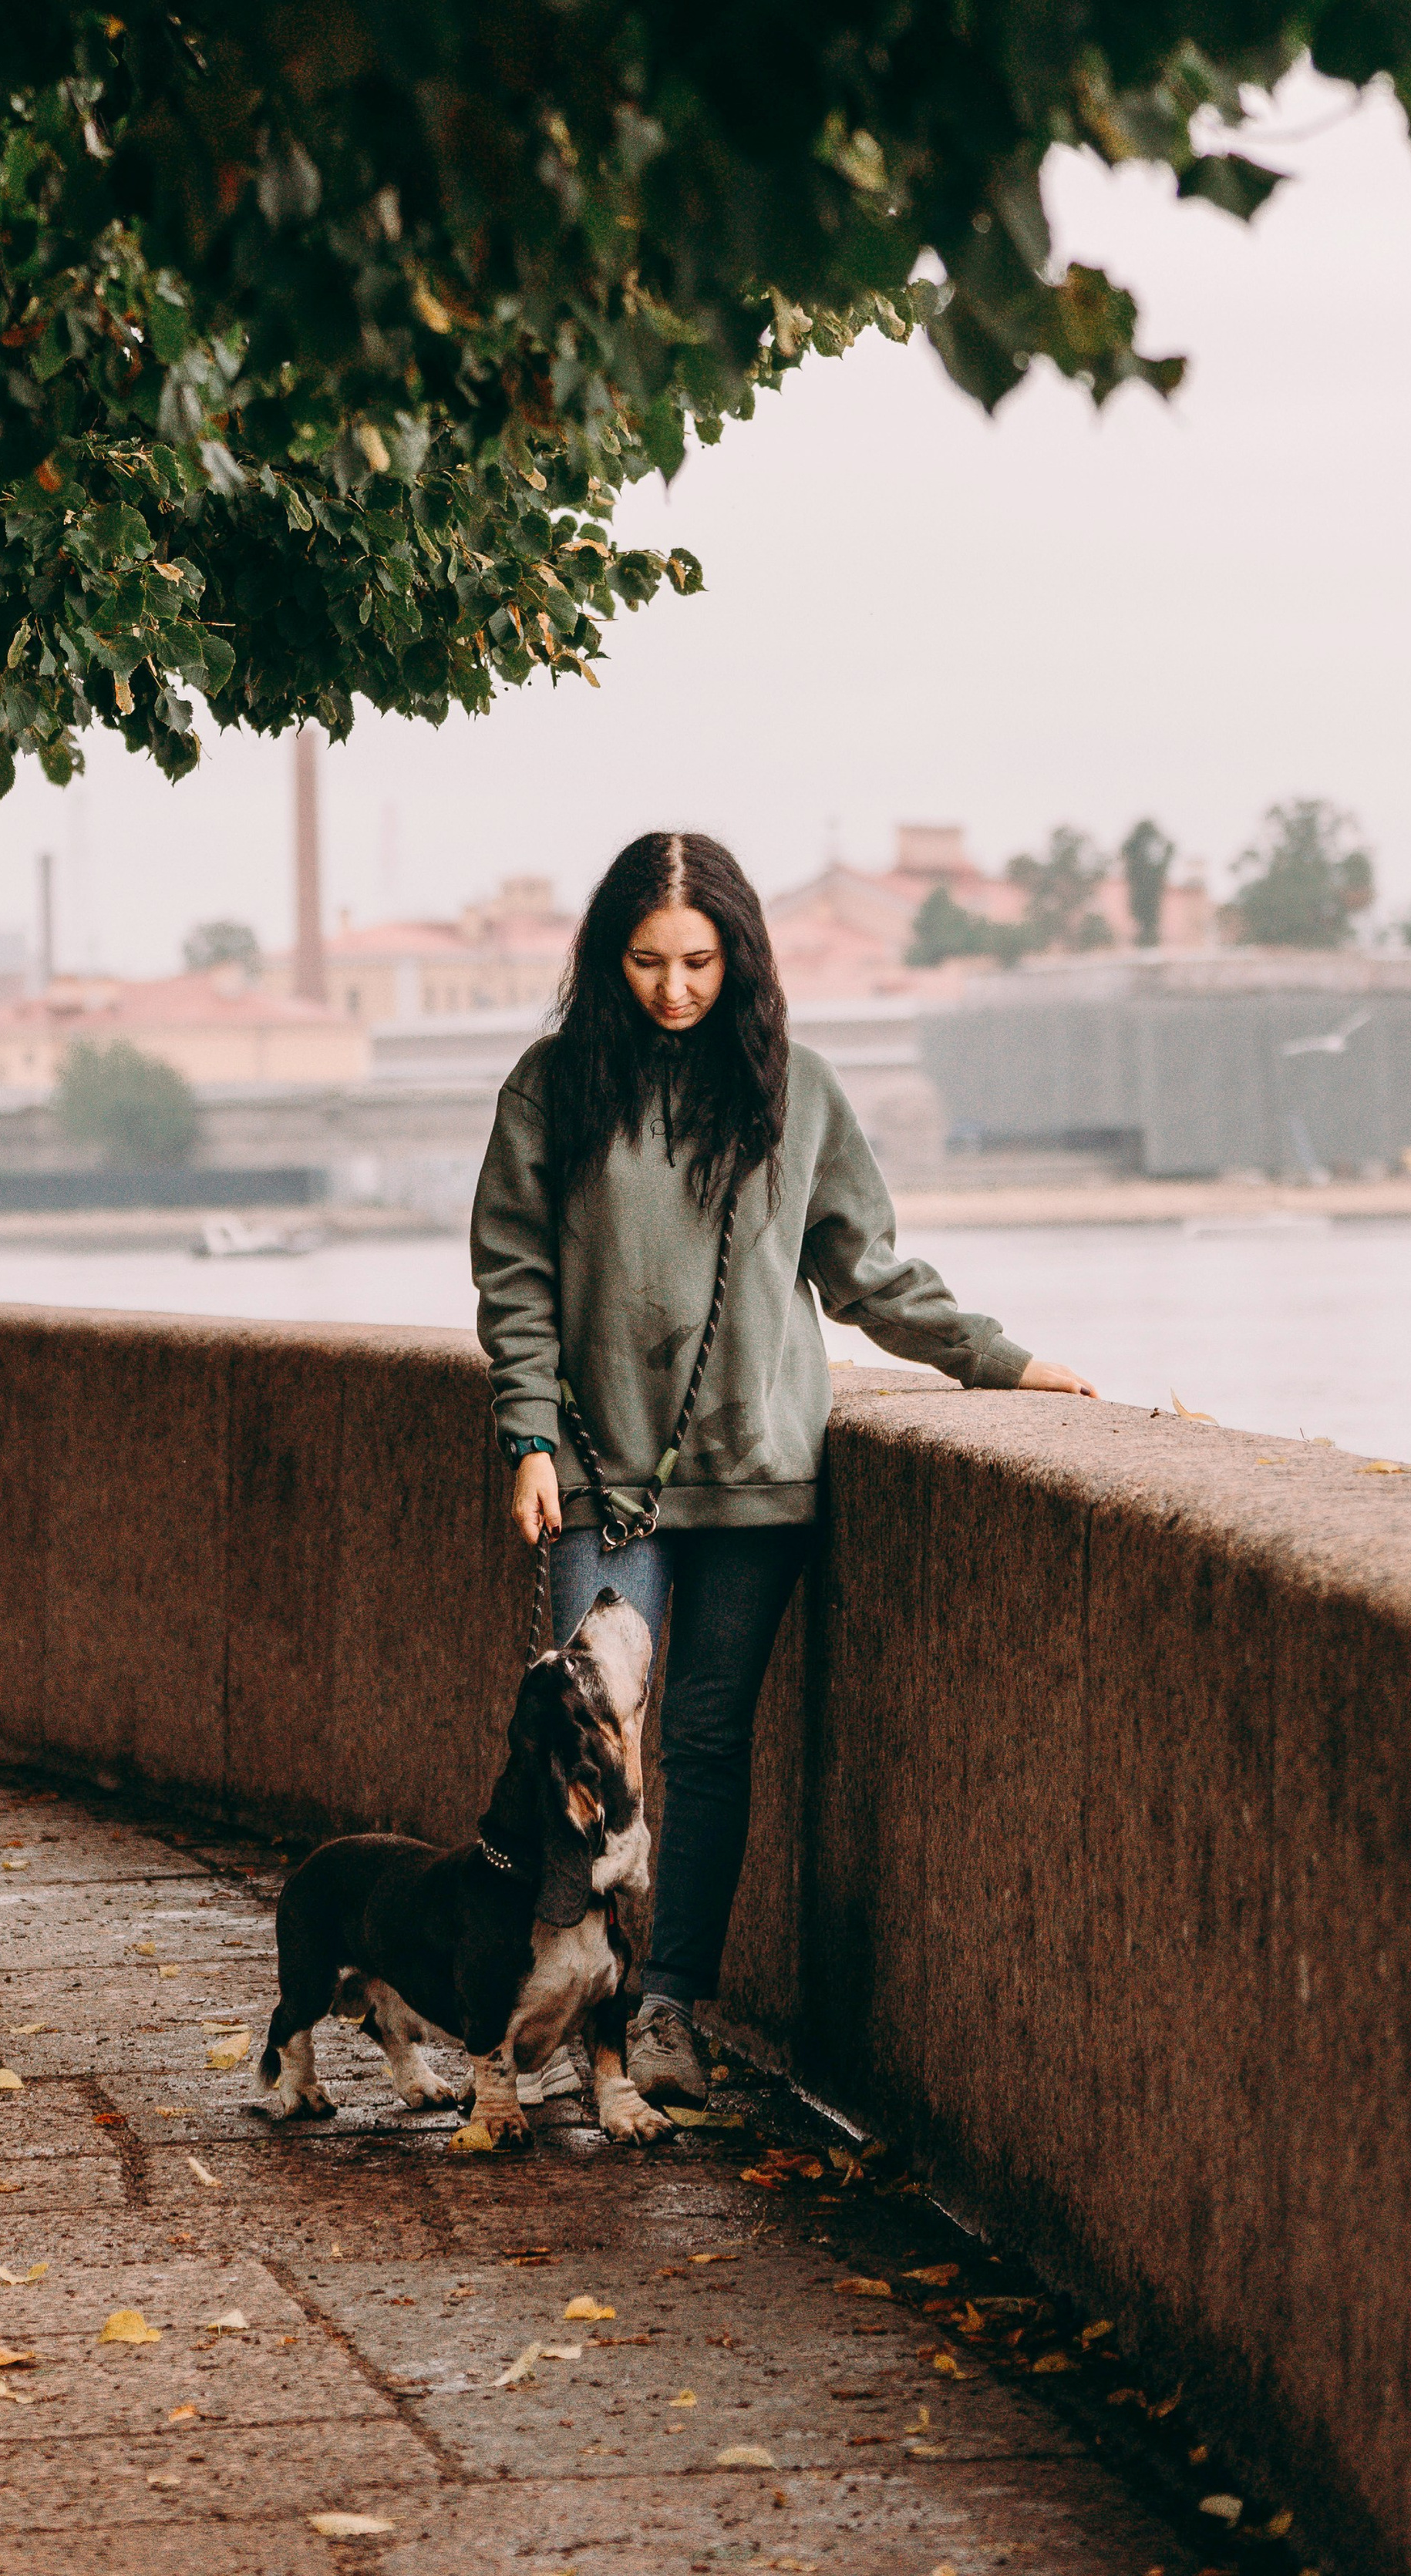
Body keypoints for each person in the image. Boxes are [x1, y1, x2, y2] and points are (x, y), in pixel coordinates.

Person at [470, 831, 1095, 2108]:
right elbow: (515, 1276)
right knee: (589, 1739)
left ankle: (666, 2011)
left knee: (705, 1738)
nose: (675, 988)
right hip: (602, 1473)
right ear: (607, 959)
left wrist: (999, 1357)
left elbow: (864, 1268)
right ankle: (551, 1991)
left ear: (740, 958)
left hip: (759, 1470)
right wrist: (529, 1433)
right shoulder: (551, 1086)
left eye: (700, 961)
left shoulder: (795, 1090)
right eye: (647, 961)